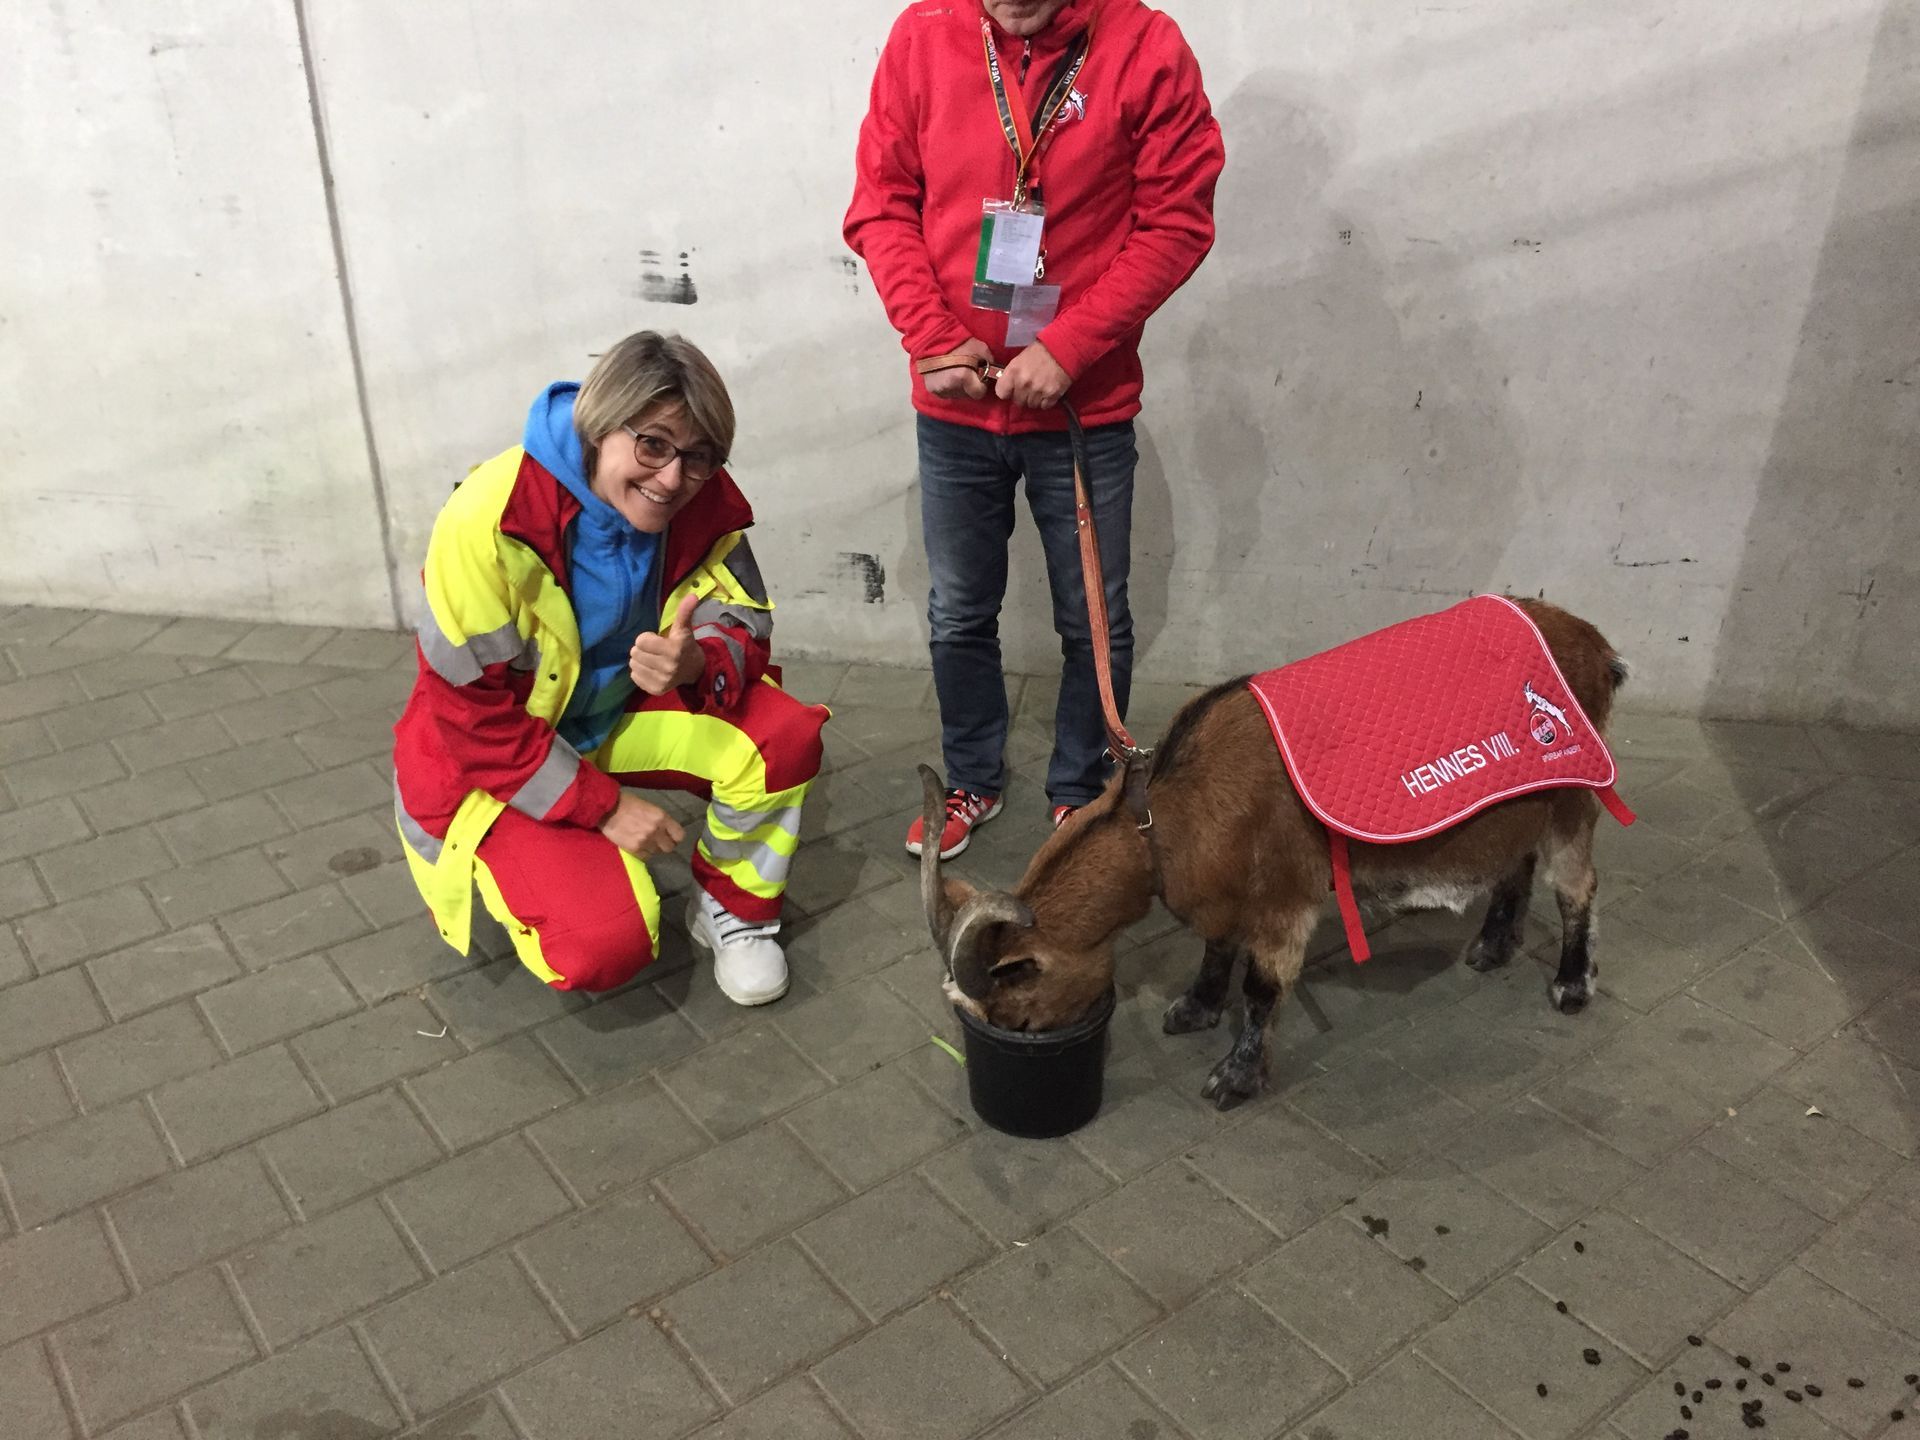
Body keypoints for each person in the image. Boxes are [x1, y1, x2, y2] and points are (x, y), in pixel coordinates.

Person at [845, 0, 1224, 859]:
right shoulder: (922, 36)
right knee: (958, 611)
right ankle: (972, 778)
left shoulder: (1146, 47)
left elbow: (1177, 222)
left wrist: (1070, 348)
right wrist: (931, 335)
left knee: (1094, 618)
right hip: (956, 405)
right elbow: (881, 205)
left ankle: (1081, 790)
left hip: (1082, 408)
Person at [391, 332, 826, 1005]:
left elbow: (744, 616)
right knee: (605, 944)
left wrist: (697, 661)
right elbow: (472, 719)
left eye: (698, 456)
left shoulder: (702, 497)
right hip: (497, 759)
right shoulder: (487, 519)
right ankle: (524, 869)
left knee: (781, 738)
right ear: (600, 426)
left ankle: (733, 911)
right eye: (651, 444)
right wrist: (606, 808)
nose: (672, 479)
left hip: (612, 715)